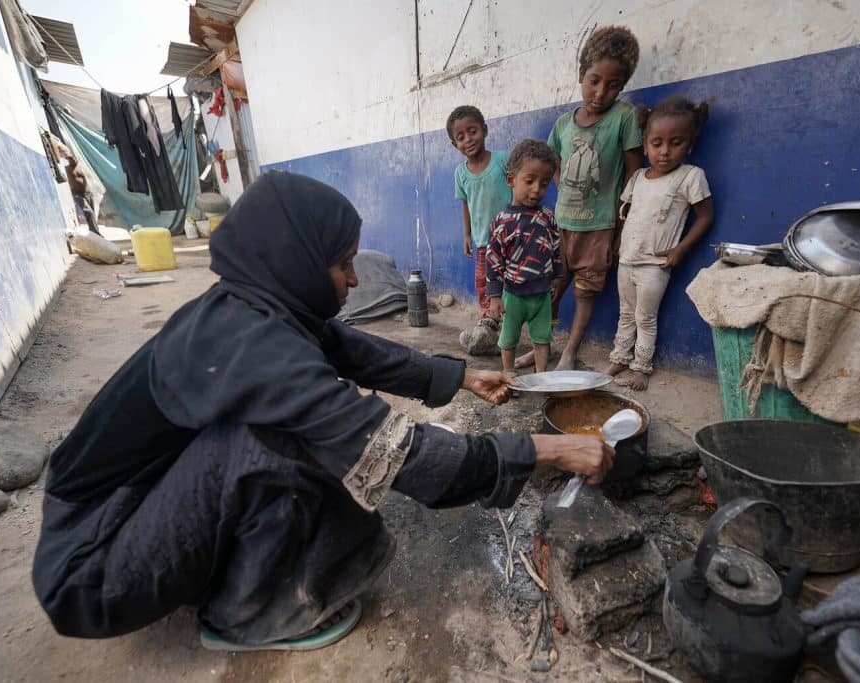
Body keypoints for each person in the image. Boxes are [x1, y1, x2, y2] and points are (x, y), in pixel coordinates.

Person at [31, 171, 613, 652]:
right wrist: (547, 448)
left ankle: (219, 565)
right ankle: (242, 617)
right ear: (298, 258)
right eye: (344, 265)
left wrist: (459, 375)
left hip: (126, 512)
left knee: (282, 440)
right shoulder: (251, 345)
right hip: (89, 569)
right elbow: (397, 454)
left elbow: (345, 346)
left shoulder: (251, 305)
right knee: (283, 446)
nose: (355, 279)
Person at [534, 25, 642, 371]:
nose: (600, 92)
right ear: (581, 75)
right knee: (550, 291)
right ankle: (543, 347)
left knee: (585, 292)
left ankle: (570, 352)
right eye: (594, 80)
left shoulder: (624, 118)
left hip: (599, 227)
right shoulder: (564, 123)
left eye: (613, 85)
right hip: (561, 224)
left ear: (622, 87)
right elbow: (551, 162)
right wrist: (564, 186)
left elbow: (633, 175)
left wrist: (621, 227)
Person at [605, 96, 714, 390]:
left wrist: (680, 249)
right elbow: (625, 214)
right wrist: (617, 243)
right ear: (645, 144)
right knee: (625, 312)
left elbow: (705, 216)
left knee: (645, 317)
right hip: (627, 258)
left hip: (656, 264)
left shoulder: (690, 176)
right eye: (656, 143)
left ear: (689, 145)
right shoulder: (638, 176)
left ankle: (641, 366)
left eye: (675, 143)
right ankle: (619, 356)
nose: (664, 151)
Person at [486, 140, 563, 375]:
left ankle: (542, 376)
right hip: (513, 295)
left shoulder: (547, 217)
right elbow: (493, 260)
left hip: (541, 295)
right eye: (529, 181)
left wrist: (557, 279)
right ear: (511, 180)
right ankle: (509, 374)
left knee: (542, 338)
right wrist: (494, 296)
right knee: (508, 338)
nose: (536, 189)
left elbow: (556, 249)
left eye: (544, 183)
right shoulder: (502, 221)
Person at [449, 105, 514, 329]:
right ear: (454, 144)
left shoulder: (503, 160)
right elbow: (466, 203)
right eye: (460, 137)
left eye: (473, 131)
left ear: (485, 130)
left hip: (512, 238)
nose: (468, 139)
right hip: (483, 242)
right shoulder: (460, 173)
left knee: (512, 280)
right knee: (484, 282)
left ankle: (511, 321)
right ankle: (490, 322)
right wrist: (467, 235)